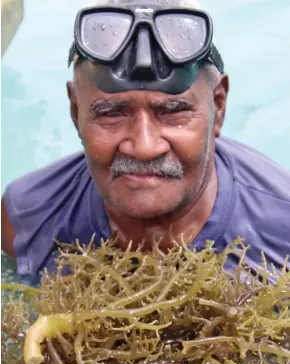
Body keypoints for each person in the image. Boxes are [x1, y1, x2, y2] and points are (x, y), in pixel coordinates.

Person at [2, 0, 290, 282]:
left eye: (173, 112)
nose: (144, 147)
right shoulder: (27, 218)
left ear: (218, 107)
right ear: (76, 112)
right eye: (111, 113)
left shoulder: (283, 228)